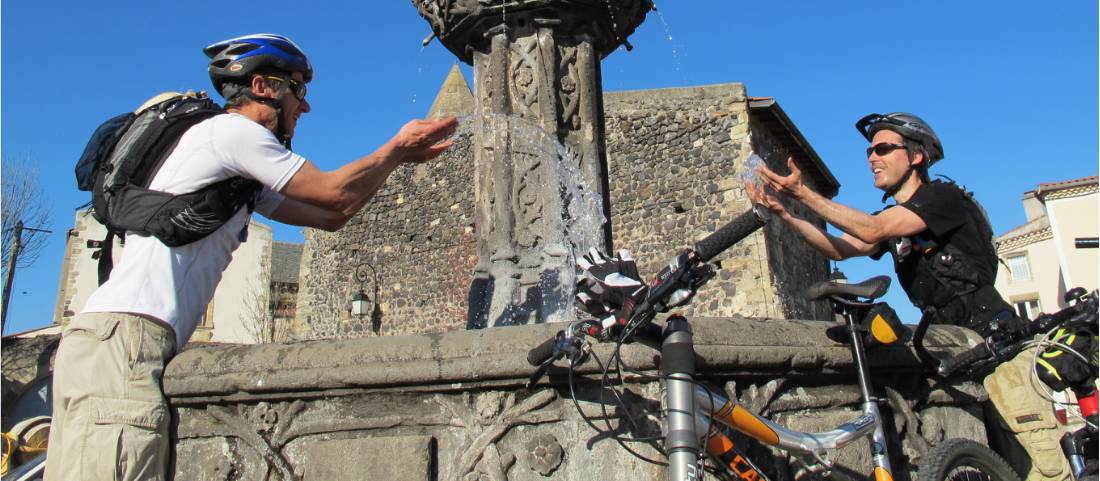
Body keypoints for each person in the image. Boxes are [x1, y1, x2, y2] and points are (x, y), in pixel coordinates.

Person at [45, 33, 458, 481]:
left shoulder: (235, 174)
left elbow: (334, 214)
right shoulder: (233, 132)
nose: (305, 106)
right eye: (298, 90)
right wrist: (394, 148)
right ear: (263, 87)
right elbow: (333, 190)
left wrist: (393, 162)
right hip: (126, 341)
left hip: (109, 342)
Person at [746, 112, 1070, 481]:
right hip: (953, 353)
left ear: (916, 156)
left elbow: (873, 228)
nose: (872, 157)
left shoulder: (943, 199)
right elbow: (838, 248)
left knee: (1041, 469)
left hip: (1000, 348)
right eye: (869, 151)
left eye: (883, 148)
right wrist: (784, 212)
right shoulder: (894, 220)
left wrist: (803, 192)